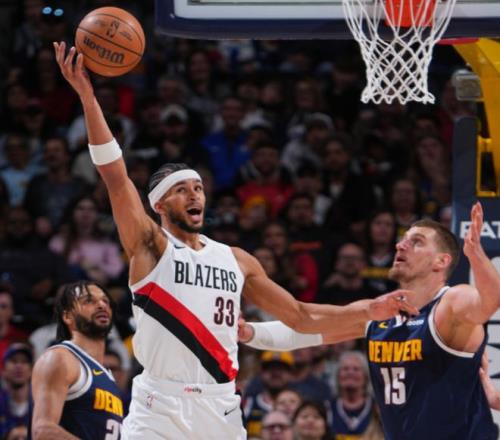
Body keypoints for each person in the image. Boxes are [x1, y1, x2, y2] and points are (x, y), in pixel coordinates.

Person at [53, 41, 416, 440]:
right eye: (181, 190)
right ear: (158, 204)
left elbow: (299, 316)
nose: (194, 195)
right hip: (158, 406)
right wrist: (88, 97)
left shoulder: (237, 259)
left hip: (220, 405)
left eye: (198, 188)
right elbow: (115, 175)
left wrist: (369, 311)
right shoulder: (150, 246)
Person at [240, 203, 499, 439]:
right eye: (403, 240)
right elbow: (305, 330)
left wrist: (476, 254)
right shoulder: (381, 312)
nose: (401, 245)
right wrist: (250, 332)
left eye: (416, 242)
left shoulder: (451, 303)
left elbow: (489, 302)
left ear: (441, 261)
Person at [31, 281, 123, 439]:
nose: (101, 305)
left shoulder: (107, 376)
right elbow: (43, 431)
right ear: (67, 316)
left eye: (105, 301)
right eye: (89, 300)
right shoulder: (60, 358)